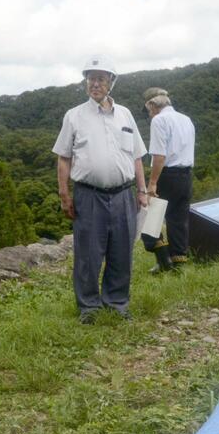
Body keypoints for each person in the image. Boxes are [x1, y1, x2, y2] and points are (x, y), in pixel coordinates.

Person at [52, 55, 149, 323]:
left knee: (122, 252)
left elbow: (137, 156)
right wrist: (64, 195)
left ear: (111, 83)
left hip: (123, 194)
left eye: (101, 79)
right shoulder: (74, 116)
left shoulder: (126, 115)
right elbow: (63, 157)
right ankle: (89, 308)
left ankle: (117, 303)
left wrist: (142, 191)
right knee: (88, 254)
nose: (95, 83)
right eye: (91, 78)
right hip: (89, 194)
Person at [143, 87, 195, 272]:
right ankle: (180, 265)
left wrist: (152, 183)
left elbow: (159, 156)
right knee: (178, 220)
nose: (149, 114)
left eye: (148, 109)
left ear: (152, 104)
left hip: (167, 176)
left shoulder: (159, 120)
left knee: (150, 220)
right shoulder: (186, 119)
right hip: (186, 176)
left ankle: (164, 262)